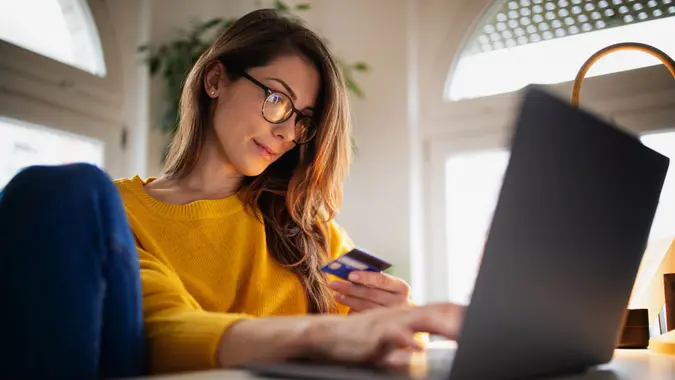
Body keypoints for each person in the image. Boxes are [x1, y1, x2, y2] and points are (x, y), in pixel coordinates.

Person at [0, 8, 464, 379]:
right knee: (60, 190)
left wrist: (402, 316)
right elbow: (164, 330)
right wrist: (317, 336)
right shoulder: (116, 210)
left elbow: (397, 341)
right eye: (277, 99)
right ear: (216, 79)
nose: (286, 132)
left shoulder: (312, 228)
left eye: (302, 119)